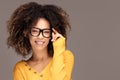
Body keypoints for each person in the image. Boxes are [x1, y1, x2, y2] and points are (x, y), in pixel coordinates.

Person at [7, 2, 74, 80]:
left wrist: (58, 45)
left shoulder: (66, 57)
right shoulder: (20, 69)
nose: (40, 36)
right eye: (35, 31)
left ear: (52, 34)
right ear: (26, 33)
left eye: (46, 32)